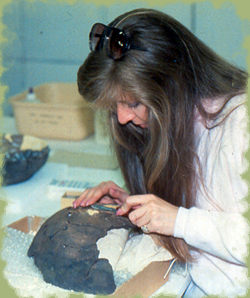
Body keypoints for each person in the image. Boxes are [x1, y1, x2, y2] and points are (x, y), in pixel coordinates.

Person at [73, 8, 249, 297]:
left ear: (172, 87)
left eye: (131, 103)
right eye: (115, 106)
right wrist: (135, 207)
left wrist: (179, 220)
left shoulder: (240, 123)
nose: (121, 118)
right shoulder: (172, 123)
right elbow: (208, 212)